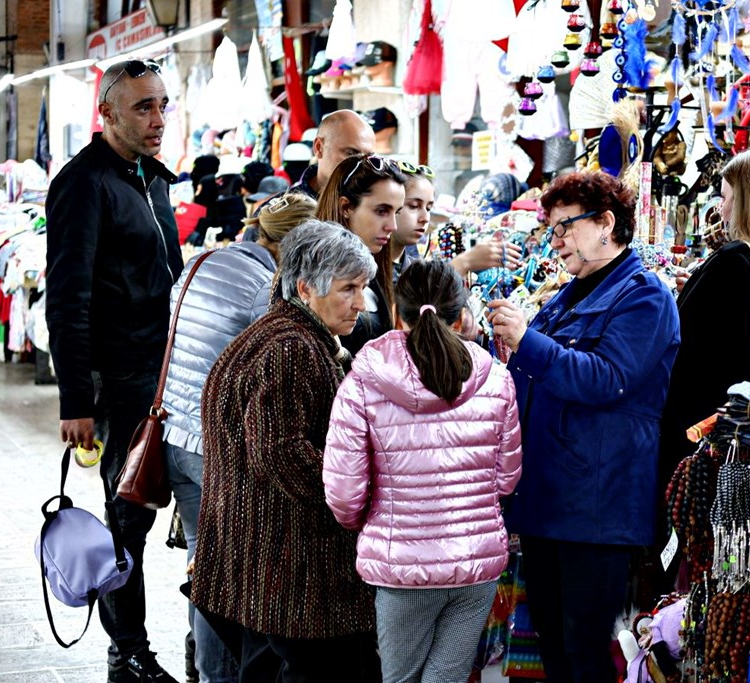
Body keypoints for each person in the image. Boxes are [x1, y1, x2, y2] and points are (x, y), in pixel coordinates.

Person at [486, 171, 680, 683]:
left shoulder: (646, 297)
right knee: (554, 645)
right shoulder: (569, 295)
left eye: (564, 228)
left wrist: (527, 340)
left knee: (585, 650)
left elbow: (608, 379)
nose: (557, 242)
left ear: (606, 224)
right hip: (549, 500)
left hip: (597, 504)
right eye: (552, 231)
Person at [191, 222, 380, 681]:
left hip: (265, 565)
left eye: (364, 288)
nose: (361, 303)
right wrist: (361, 491)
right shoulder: (290, 348)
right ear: (305, 289)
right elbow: (282, 454)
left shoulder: (277, 336)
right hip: (292, 571)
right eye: (348, 289)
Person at [45, 58, 182, 683]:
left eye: (161, 104)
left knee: (152, 511)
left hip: (164, 371)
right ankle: (127, 649)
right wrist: (76, 398)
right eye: (142, 108)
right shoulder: (84, 184)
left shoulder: (152, 180)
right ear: (106, 114)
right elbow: (67, 297)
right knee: (127, 519)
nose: (156, 119)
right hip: (118, 379)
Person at [323, 259, 522, 682]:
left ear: (398, 313)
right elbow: (506, 478)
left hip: (401, 567)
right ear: (462, 315)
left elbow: (344, 493)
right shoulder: (497, 378)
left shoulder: (363, 381)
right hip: (476, 563)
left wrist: (372, 525)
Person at [161, 193, 316, 683]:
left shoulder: (200, 262)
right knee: (225, 572)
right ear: (291, 245)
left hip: (174, 435)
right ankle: (216, 674)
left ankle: (203, 665)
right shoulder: (264, 287)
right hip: (216, 447)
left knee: (200, 559)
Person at [658, 145, 750, 487]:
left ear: (745, 204)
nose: (720, 208)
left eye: (724, 198)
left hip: (701, 433)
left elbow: (685, 344)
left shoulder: (733, 261)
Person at [316, 154, 407, 354]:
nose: (392, 226)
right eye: (382, 211)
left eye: (397, 212)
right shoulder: (313, 273)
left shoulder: (376, 269)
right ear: (345, 207)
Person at [390, 162, 524, 281]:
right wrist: (464, 262)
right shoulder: (373, 270)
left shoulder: (410, 261)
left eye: (429, 208)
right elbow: (417, 300)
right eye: (414, 206)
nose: (425, 218)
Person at [294, 110, 376, 199]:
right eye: (351, 154)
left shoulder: (376, 203)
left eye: (368, 158)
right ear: (319, 147)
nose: (362, 165)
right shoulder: (286, 209)